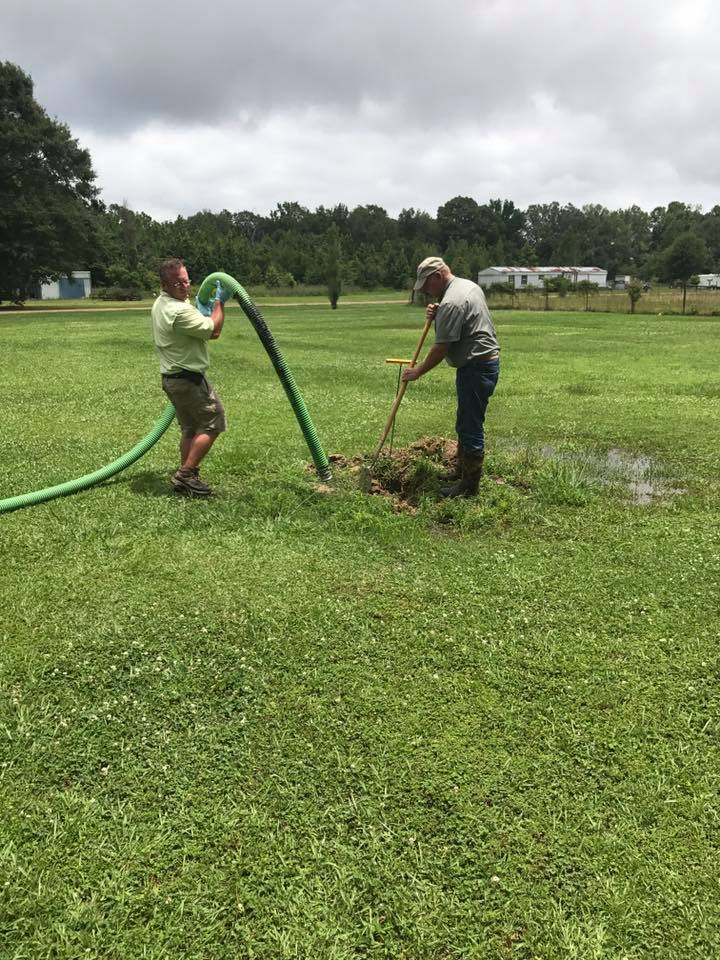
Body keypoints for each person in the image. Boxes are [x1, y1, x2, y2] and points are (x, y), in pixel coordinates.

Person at [402, 256, 500, 498]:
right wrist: (439, 312)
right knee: (464, 421)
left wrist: (418, 371)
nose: (426, 291)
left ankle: (469, 488)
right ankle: (461, 471)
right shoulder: (467, 286)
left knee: (470, 425)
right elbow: (462, 321)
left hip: (476, 368)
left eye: (427, 285)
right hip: (482, 364)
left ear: (437, 276)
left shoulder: (452, 302)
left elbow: (442, 347)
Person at [151, 258, 228, 497]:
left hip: (173, 379)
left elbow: (195, 320)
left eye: (187, 281)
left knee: (190, 429)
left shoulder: (163, 303)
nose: (185, 287)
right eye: (178, 283)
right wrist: (218, 303)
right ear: (164, 284)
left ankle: (187, 477)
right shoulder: (177, 311)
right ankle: (186, 474)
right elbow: (214, 331)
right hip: (188, 380)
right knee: (213, 422)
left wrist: (200, 310)